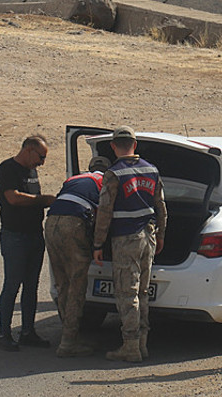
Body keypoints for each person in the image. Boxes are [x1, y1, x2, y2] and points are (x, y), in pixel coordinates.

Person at [92, 126, 167, 363]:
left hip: (126, 238)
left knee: (127, 293)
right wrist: (162, 234)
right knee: (142, 292)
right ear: (135, 145)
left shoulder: (113, 174)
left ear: (114, 147)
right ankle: (142, 344)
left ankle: (130, 345)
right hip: (149, 236)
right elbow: (162, 207)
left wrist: (97, 243)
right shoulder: (151, 170)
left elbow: (104, 211)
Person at [0, 135, 56, 352]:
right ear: (29, 150)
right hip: (15, 236)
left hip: (34, 235)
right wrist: (44, 200)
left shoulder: (32, 171)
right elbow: (13, 198)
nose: (41, 162)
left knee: (31, 286)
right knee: (12, 284)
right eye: (40, 156)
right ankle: (4, 334)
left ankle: (28, 332)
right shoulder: (8, 169)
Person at [45, 156, 111, 357]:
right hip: (74, 224)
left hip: (51, 223)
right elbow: (105, 215)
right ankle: (69, 342)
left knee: (62, 282)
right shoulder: (105, 182)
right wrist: (99, 244)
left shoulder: (73, 179)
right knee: (77, 284)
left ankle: (68, 334)